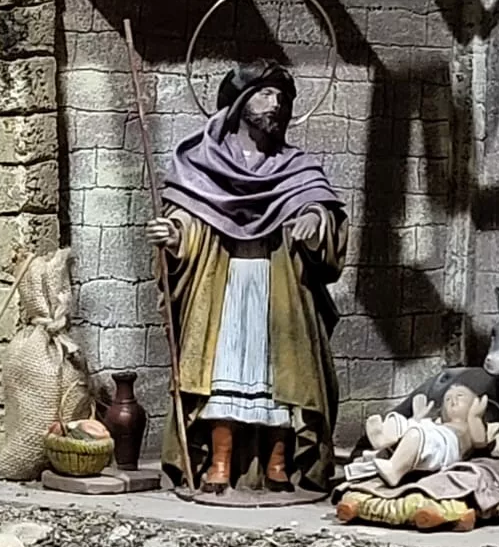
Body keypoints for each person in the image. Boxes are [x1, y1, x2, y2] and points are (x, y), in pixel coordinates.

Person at [144, 60, 348, 497]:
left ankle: (279, 465)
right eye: (265, 93)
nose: (277, 104)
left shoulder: (296, 166)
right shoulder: (202, 165)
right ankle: (217, 463)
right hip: (224, 285)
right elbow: (189, 216)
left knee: (280, 379)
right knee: (223, 374)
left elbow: (319, 207)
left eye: (283, 97)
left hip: (279, 290)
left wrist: (315, 223)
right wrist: (174, 234)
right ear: (239, 101)